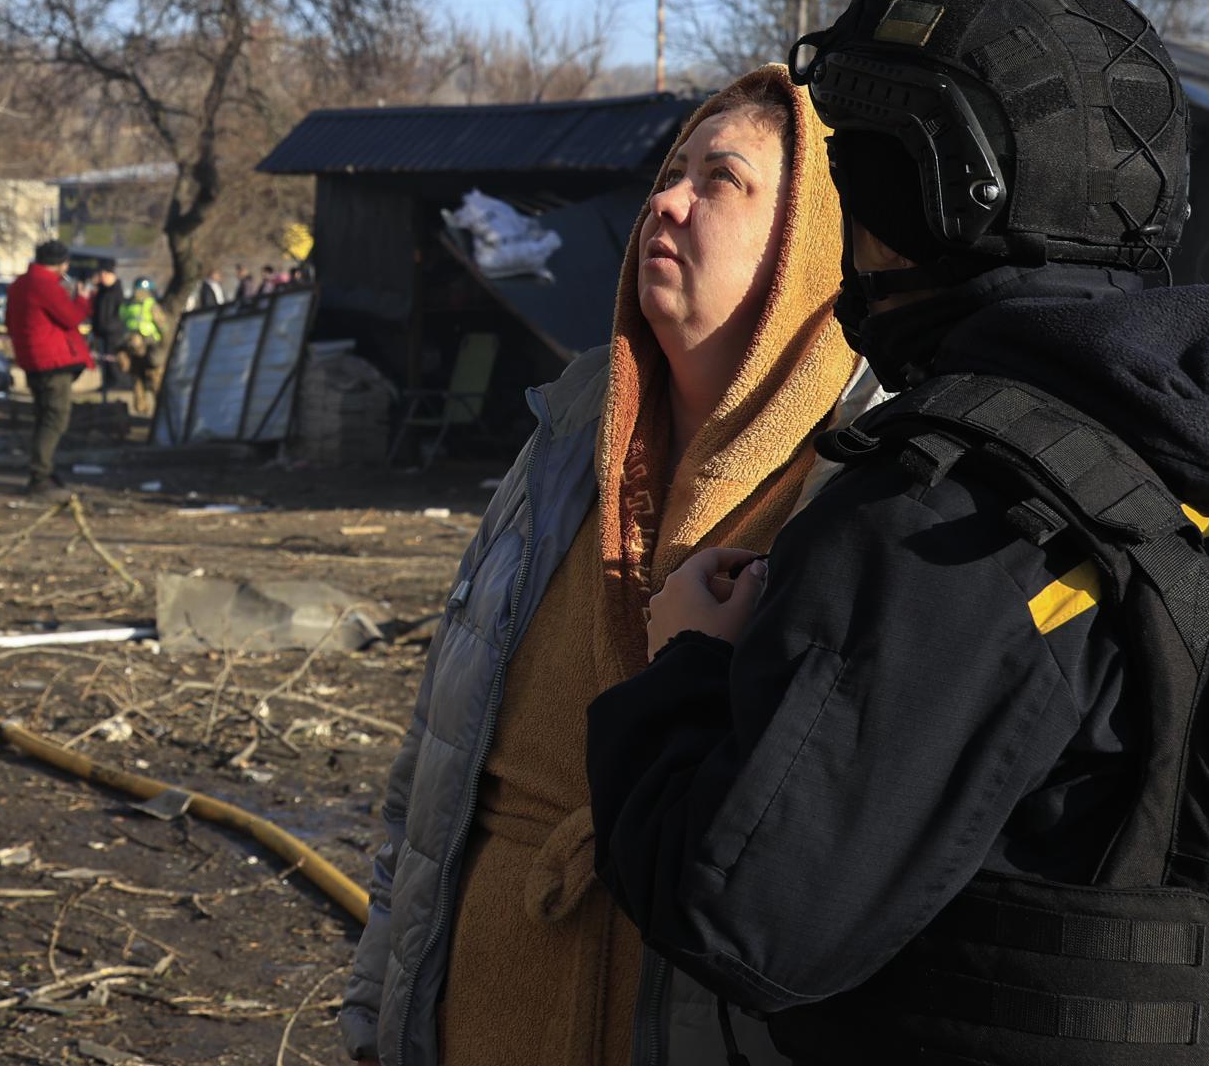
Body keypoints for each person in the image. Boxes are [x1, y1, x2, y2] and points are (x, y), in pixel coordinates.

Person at [587, 0, 1209, 1066]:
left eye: (858, 172)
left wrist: (681, 665)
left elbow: (745, 920)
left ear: (931, 186)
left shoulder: (949, 512)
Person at [342, 66, 869, 1066]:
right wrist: (380, 1007)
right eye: (669, 172)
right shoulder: (559, 447)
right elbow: (439, 757)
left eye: (721, 180)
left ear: (809, 242)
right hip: (481, 1015)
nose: (666, 200)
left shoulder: (853, 490)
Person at [6, 240, 94, 497]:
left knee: (43, 417)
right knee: (56, 418)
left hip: (32, 359)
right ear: (60, 263)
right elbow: (72, 317)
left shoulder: (19, 284)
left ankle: (44, 470)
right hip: (52, 362)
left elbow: (10, 321)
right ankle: (40, 476)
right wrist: (83, 299)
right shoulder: (45, 285)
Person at [120, 278, 169, 419]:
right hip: (150, 345)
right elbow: (163, 326)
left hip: (132, 346)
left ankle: (141, 409)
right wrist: (165, 343)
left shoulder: (127, 305)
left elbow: (122, 320)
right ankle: (161, 411)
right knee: (155, 378)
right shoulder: (150, 304)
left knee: (137, 379)